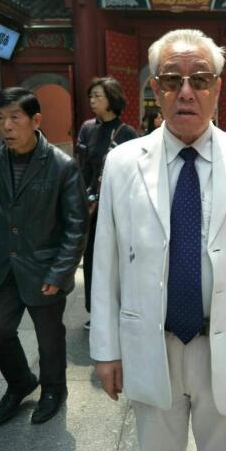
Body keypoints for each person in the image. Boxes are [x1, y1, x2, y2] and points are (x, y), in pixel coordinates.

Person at [89, 29, 226, 451]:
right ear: (155, 88)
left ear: (217, 88)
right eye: (172, 80)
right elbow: (105, 264)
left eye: (200, 79)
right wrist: (105, 350)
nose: (186, 92)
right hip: (152, 343)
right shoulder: (123, 163)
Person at [0, 87, 89, 426]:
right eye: (0, 118)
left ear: (36, 120)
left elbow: (76, 226)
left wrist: (59, 273)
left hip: (44, 268)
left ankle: (54, 390)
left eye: (15, 118)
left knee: (49, 339)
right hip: (3, 267)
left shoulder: (61, 166)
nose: (6, 126)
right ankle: (20, 382)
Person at [81, 77, 138, 329]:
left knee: (118, 258)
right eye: (90, 96)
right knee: (93, 258)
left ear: (111, 99)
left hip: (118, 207)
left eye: (97, 96)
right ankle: (96, 311)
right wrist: (83, 196)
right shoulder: (89, 129)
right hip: (94, 208)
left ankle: (122, 309)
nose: (92, 101)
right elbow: (86, 168)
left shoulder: (127, 133)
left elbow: (134, 174)